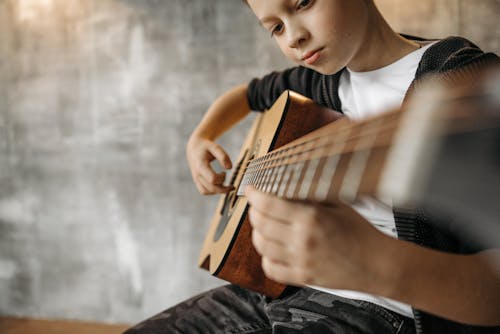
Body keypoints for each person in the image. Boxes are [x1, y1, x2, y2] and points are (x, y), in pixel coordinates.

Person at [125, 0, 500, 333]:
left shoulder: (457, 77)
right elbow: (247, 94)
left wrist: (375, 261)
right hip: (285, 288)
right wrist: (200, 137)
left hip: (384, 311)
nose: (293, 38)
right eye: (275, 27)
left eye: (303, 3)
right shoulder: (326, 81)